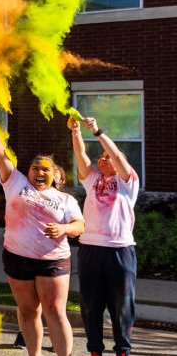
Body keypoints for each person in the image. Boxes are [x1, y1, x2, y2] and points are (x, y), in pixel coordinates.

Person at [0, 108, 84, 356]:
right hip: (17, 257)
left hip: (52, 262)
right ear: (28, 171)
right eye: (35, 168)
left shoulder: (65, 199)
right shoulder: (15, 182)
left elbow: (80, 226)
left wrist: (63, 228)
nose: (39, 172)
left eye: (45, 170)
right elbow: (0, 153)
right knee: (28, 310)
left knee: (55, 310)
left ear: (56, 175)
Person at [70, 116, 139, 356]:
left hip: (120, 250)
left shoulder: (127, 182)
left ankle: (123, 350)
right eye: (100, 157)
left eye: (105, 157)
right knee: (90, 305)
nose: (102, 159)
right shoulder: (92, 180)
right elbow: (81, 157)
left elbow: (117, 156)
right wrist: (76, 132)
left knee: (122, 306)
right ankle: (94, 351)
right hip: (90, 249)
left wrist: (98, 132)